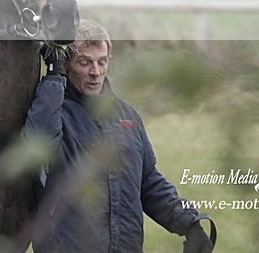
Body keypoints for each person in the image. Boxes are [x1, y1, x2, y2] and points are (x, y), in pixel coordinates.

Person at [23, 20, 215, 252]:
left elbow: (148, 181)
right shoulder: (53, 111)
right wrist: (54, 77)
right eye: (85, 63)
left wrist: (189, 222)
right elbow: (35, 148)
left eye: (101, 62)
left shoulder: (127, 116)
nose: (95, 72)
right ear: (67, 64)